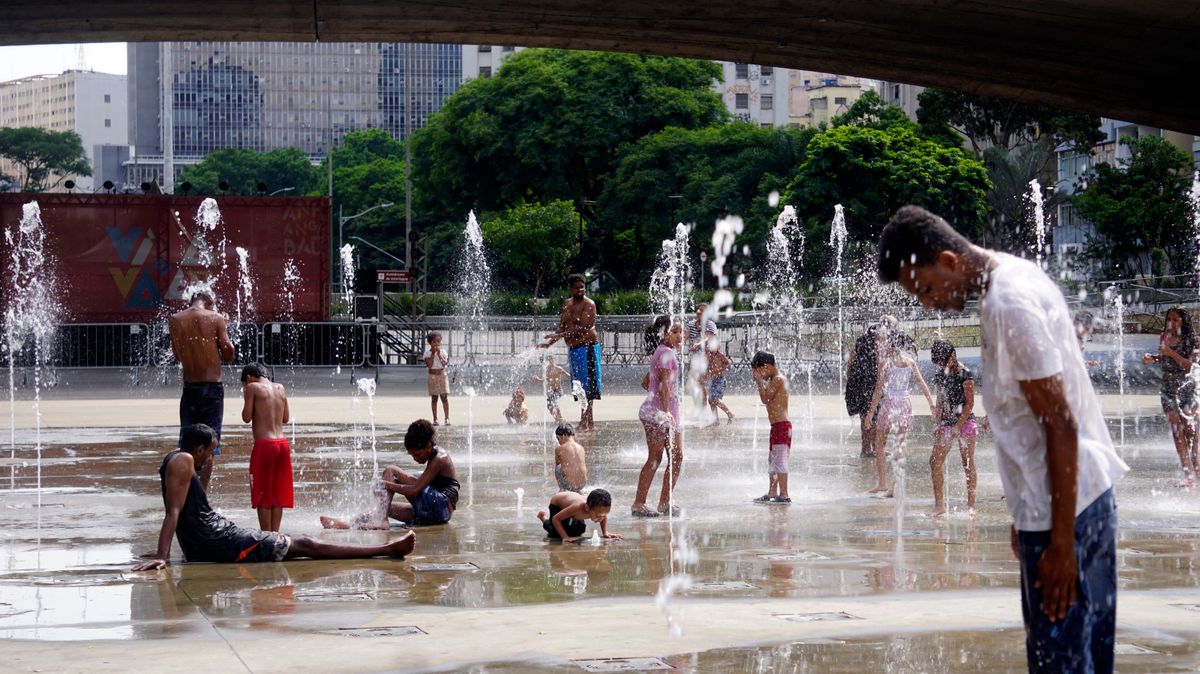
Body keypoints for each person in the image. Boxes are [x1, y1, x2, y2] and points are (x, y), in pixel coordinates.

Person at [878, 205, 1128, 673]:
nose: (928, 305)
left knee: (1062, 663)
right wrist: (1025, 510)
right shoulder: (1012, 277)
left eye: (927, 289)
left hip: (1067, 516)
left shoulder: (1009, 305)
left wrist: (1060, 543)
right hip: (1065, 505)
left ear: (950, 260)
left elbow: (1060, 424)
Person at [132, 424, 415, 571]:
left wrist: (165, 550)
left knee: (299, 541)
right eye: (209, 451)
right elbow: (174, 512)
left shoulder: (176, 460)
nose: (210, 457)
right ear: (197, 447)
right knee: (305, 544)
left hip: (218, 538)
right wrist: (162, 554)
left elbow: (182, 507)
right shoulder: (183, 460)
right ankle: (386, 550)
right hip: (221, 542)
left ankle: (384, 550)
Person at [320, 419, 460, 529]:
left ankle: (382, 521)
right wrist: (388, 487)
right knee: (385, 508)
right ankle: (350, 523)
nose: (415, 459)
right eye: (412, 455)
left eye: (417, 454)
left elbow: (416, 489)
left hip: (440, 506)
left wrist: (387, 485)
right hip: (436, 513)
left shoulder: (440, 458)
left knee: (390, 471)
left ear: (428, 446)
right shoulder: (433, 454)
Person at [168, 288, 235, 491]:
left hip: (189, 388)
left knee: (187, 443)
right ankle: (202, 498)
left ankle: (185, 494)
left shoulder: (175, 319)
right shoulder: (216, 318)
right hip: (212, 388)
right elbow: (229, 353)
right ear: (210, 301)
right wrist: (226, 328)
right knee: (209, 444)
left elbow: (178, 356)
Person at [865, 330, 934, 495]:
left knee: (880, 443)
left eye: (886, 343)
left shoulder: (886, 364)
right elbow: (921, 382)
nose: (883, 345)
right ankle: (895, 486)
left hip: (890, 404)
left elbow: (878, 391)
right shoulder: (910, 362)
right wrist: (931, 402)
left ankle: (882, 483)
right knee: (899, 445)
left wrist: (869, 413)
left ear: (892, 345)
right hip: (905, 403)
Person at [631, 316, 683, 517]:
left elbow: (647, 382)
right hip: (659, 415)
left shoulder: (662, 352)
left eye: (681, 332)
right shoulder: (666, 353)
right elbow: (662, 385)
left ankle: (664, 502)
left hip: (664, 413)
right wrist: (666, 410)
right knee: (655, 458)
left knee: (676, 457)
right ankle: (639, 504)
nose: (680, 336)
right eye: (675, 332)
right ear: (664, 333)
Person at [1142, 306, 1199, 486]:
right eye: (1169, 319)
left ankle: (1197, 465)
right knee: (1176, 429)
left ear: (1183, 322)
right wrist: (1152, 357)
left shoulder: (1191, 340)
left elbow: (1191, 367)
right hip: (1167, 388)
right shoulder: (1164, 336)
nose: (1171, 323)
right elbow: (1163, 358)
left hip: (1187, 387)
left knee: (1189, 428)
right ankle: (1187, 473)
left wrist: (1170, 353)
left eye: (1175, 320)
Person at [541, 274, 601, 431]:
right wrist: (549, 344)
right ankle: (589, 423)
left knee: (588, 386)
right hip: (574, 350)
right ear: (570, 289)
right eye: (576, 287)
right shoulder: (567, 304)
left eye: (582, 287)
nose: (580, 290)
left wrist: (559, 335)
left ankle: (585, 421)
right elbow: (563, 327)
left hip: (588, 348)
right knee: (578, 385)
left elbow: (584, 327)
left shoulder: (589, 304)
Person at [929, 340, 978, 516]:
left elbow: (970, 403)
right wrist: (938, 423)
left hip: (965, 423)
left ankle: (971, 505)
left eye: (944, 361)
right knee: (934, 462)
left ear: (953, 355)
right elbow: (941, 399)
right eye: (939, 362)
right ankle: (939, 506)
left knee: (967, 462)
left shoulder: (966, 374)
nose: (942, 365)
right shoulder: (941, 373)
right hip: (947, 422)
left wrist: (958, 427)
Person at [240, 363, 292, 532]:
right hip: (282, 444)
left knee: (262, 492)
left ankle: (265, 536)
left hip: (265, 446)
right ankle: (275, 535)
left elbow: (246, 417)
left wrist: (246, 396)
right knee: (277, 493)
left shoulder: (252, 388)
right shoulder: (280, 388)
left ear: (248, 378)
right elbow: (285, 418)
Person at [750, 351, 791, 503]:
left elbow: (766, 399)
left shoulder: (779, 379)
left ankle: (784, 494)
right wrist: (761, 381)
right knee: (773, 461)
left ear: (766, 366)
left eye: (759, 371)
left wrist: (760, 382)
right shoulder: (775, 379)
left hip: (782, 426)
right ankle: (772, 492)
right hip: (776, 426)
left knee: (780, 461)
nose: (758, 375)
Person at [845, 321, 886, 458]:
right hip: (870, 384)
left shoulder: (860, 344)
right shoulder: (875, 347)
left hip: (859, 384)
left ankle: (866, 448)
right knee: (873, 416)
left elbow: (850, 364)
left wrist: (851, 381)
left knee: (865, 417)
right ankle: (872, 448)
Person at [537, 489, 621, 543]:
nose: (601, 518)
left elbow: (603, 516)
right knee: (556, 533)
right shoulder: (577, 508)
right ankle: (543, 518)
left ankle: (570, 523)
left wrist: (605, 532)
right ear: (587, 508)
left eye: (604, 515)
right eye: (598, 515)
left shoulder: (597, 509)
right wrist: (565, 537)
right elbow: (556, 519)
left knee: (579, 530)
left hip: (572, 507)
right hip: (557, 504)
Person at [700, 341, 735, 425]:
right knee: (710, 400)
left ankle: (730, 414)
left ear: (718, 347)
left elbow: (729, 364)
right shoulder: (709, 356)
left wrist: (721, 369)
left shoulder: (720, 355)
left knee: (714, 400)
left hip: (720, 380)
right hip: (713, 381)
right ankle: (716, 420)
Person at [532, 356, 570, 421]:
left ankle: (561, 418)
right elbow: (546, 380)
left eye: (551, 361)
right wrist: (538, 379)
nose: (549, 363)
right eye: (548, 362)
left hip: (558, 390)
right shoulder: (547, 370)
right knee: (549, 405)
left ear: (553, 361)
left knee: (554, 402)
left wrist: (575, 377)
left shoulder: (558, 369)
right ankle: (557, 419)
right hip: (551, 391)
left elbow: (567, 375)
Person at [423, 332, 450, 425]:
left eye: (439, 342)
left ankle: (447, 418)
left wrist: (439, 354)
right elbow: (429, 365)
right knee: (434, 398)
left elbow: (445, 363)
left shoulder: (443, 352)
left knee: (444, 397)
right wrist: (433, 354)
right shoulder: (427, 353)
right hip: (433, 376)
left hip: (442, 375)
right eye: (435, 342)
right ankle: (435, 418)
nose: (437, 344)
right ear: (430, 343)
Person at [554, 423, 587, 493]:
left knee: (558, 467)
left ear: (562, 436)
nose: (558, 442)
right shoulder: (581, 448)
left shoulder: (559, 449)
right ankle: (579, 491)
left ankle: (561, 489)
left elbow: (558, 465)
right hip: (582, 484)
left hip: (568, 485)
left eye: (558, 439)